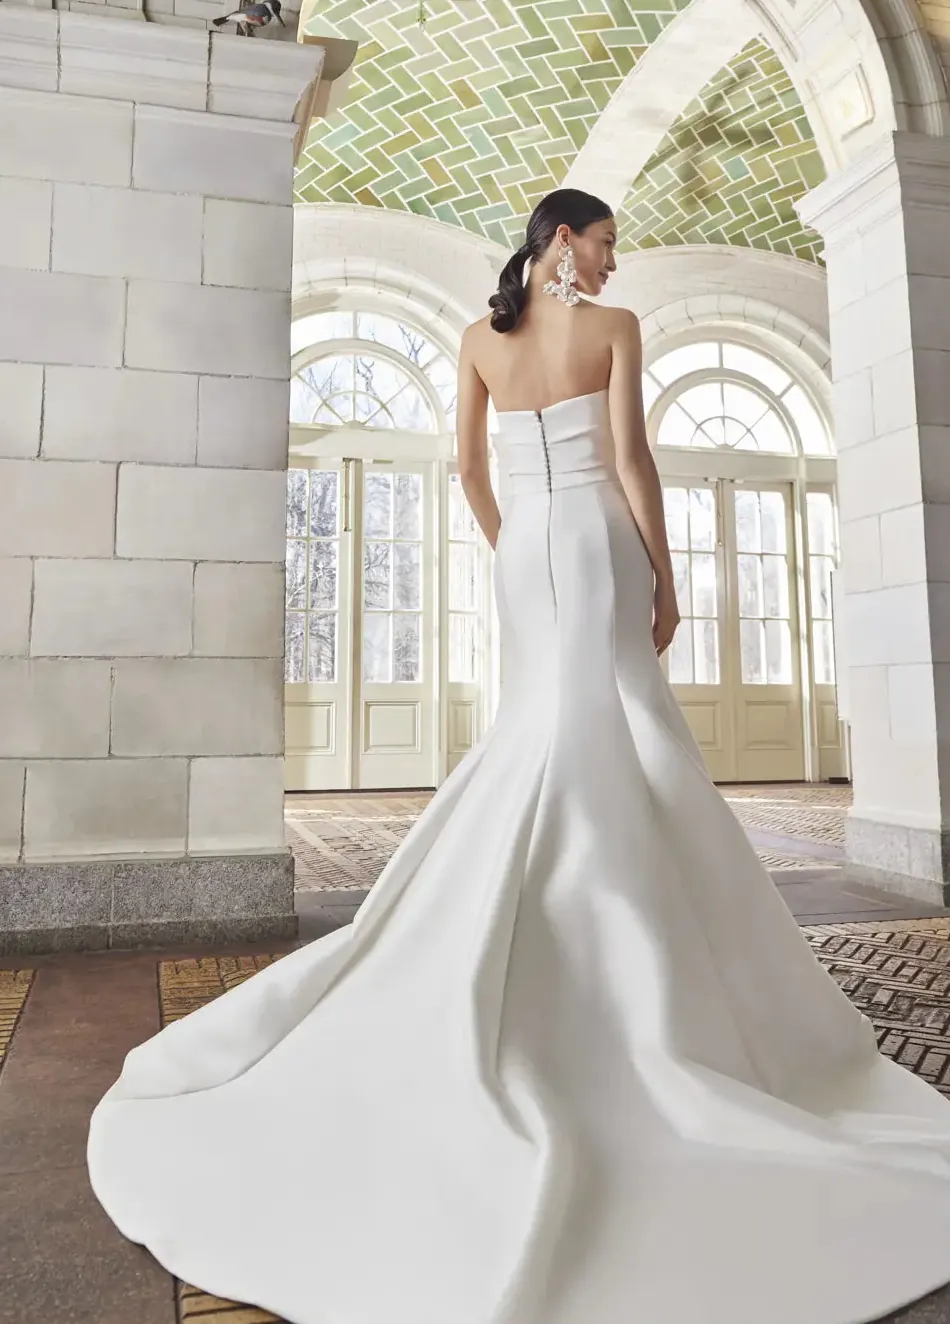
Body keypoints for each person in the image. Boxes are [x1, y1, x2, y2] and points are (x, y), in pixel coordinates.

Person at [88, 189, 950, 1325]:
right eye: (605, 241)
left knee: (543, 723)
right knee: (618, 724)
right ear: (562, 241)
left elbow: (466, 467)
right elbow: (633, 459)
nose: (613, 259)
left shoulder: (477, 339)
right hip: (597, 537)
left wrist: (512, 544)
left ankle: (537, 905)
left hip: (529, 545)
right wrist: (665, 577)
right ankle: (633, 941)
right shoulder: (614, 328)